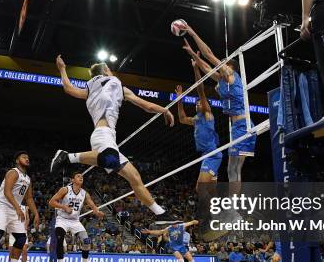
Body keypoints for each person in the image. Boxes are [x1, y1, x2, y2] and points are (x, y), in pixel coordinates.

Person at [50, 56, 174, 218]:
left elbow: (69, 89)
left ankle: (160, 213)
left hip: (106, 137)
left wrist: (62, 69)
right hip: (103, 135)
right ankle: (67, 157)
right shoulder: (119, 86)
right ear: (108, 70)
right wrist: (164, 110)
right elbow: (147, 106)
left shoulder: (90, 87)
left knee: (134, 176)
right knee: (110, 159)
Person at [182, 31, 256, 183]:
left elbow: (208, 54)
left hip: (243, 125)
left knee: (234, 169)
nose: (219, 65)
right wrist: (193, 56)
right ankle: (235, 204)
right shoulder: (221, 79)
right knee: (232, 170)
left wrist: (191, 32)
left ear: (229, 67)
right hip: (237, 127)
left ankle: (235, 206)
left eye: (223, 63)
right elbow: (205, 67)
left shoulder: (230, 74)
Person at [175, 57, 222, 195]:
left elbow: (200, 90)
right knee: (212, 191)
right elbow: (182, 119)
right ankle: (219, 214)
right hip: (206, 155)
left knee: (200, 189)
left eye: (200, 102)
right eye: (196, 103)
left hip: (212, 155)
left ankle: (206, 216)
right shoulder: (196, 119)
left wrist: (196, 68)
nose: (197, 103)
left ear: (206, 105)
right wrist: (179, 100)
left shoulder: (208, 114)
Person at [48, 172, 104, 262]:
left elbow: (92, 204)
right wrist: (64, 207)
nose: (81, 177)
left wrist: (97, 212)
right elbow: (51, 202)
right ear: (73, 180)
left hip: (75, 221)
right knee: (60, 240)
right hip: (62, 220)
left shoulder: (84, 193)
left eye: (82, 176)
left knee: (86, 241)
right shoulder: (65, 190)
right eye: (78, 176)